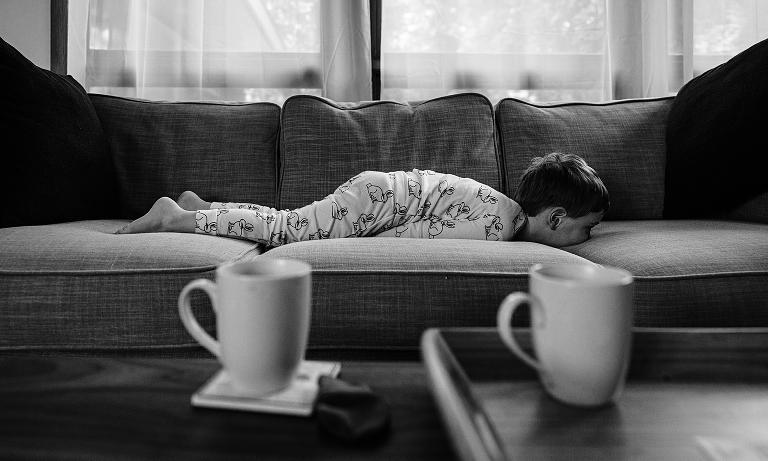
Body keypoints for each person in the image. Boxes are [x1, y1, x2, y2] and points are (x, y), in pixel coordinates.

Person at [116, 152, 608, 248]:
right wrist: (357, 238)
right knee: (288, 234)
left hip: (381, 193)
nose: (588, 238)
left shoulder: (507, 216)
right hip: (377, 202)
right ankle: (175, 218)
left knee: (292, 223)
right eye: (586, 228)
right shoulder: (496, 229)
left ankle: (200, 206)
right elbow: (415, 238)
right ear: (557, 216)